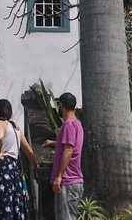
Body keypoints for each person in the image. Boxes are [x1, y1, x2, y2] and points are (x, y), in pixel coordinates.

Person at [0, 99, 38, 220]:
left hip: (2, 169)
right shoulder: (16, 128)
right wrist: (35, 165)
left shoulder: (0, 123)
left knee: (1, 202)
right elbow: (30, 151)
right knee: (13, 203)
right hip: (14, 170)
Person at [42, 92, 84, 220]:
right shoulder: (77, 124)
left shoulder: (68, 125)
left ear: (61, 106)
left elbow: (69, 150)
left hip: (67, 180)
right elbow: (71, 144)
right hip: (74, 181)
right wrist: (55, 143)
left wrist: (59, 176)